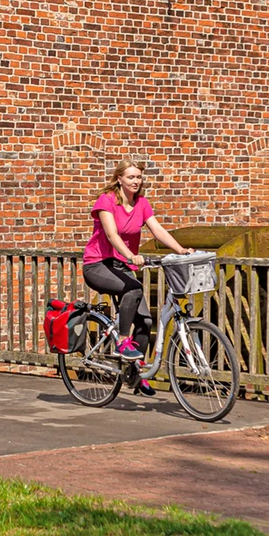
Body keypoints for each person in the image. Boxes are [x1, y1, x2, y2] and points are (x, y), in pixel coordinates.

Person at [82, 159, 193, 395]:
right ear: (119, 179)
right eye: (131, 177)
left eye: (139, 177)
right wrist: (131, 256)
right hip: (98, 264)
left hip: (122, 266)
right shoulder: (107, 201)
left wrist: (180, 250)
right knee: (133, 289)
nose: (136, 181)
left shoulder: (142, 203)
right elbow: (112, 235)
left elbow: (158, 230)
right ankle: (123, 341)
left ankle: (135, 374)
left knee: (146, 322)